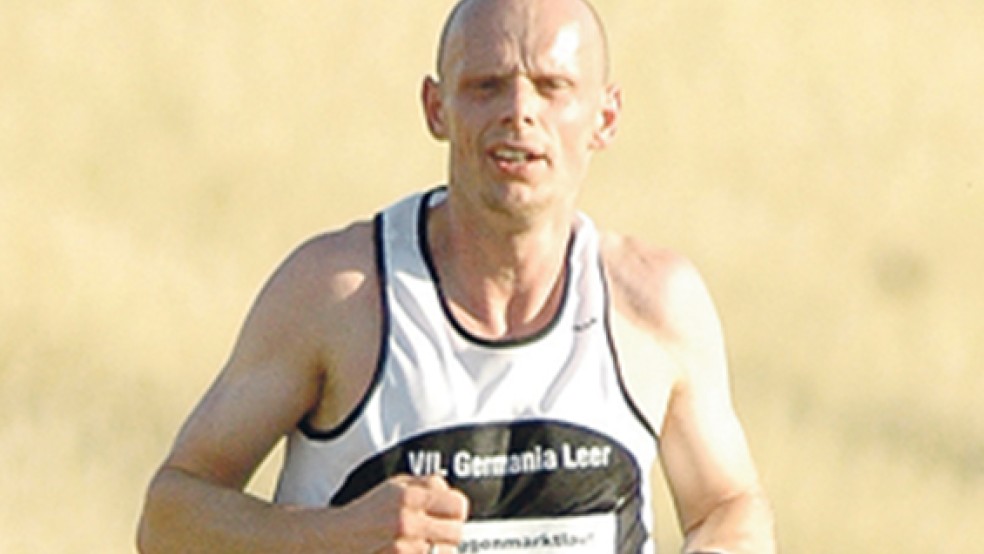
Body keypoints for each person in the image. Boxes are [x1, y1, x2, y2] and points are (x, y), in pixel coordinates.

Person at [137, 0, 776, 552]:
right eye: (487, 85)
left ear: (605, 118)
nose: (520, 112)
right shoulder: (340, 293)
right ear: (435, 107)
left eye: (553, 87)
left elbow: (729, 506)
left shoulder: (654, 303)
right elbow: (170, 516)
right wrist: (332, 539)